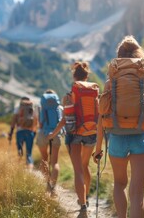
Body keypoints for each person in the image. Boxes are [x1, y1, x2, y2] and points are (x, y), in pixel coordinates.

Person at [93, 36, 144, 218]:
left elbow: (102, 118)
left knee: (119, 184)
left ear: (119, 60)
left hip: (117, 139)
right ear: (139, 58)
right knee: (138, 195)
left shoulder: (110, 84)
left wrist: (98, 149)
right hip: (141, 140)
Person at [48, 61, 99, 213]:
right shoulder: (95, 93)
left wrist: (54, 133)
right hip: (91, 133)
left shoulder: (69, 97)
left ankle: (82, 203)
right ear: (87, 76)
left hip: (75, 134)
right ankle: (87, 195)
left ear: (74, 77)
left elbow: (64, 120)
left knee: (78, 170)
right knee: (85, 166)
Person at [36, 89, 63, 197]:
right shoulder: (59, 108)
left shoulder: (41, 108)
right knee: (55, 162)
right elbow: (62, 121)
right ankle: (53, 187)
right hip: (56, 134)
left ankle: (47, 184)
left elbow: (40, 124)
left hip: (43, 134)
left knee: (44, 159)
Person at [8, 96, 38, 169]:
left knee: (20, 153)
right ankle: (30, 171)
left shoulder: (18, 107)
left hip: (19, 132)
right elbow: (35, 120)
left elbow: (13, 121)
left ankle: (21, 170)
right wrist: (34, 132)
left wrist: (11, 133)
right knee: (29, 154)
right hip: (30, 132)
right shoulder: (32, 107)